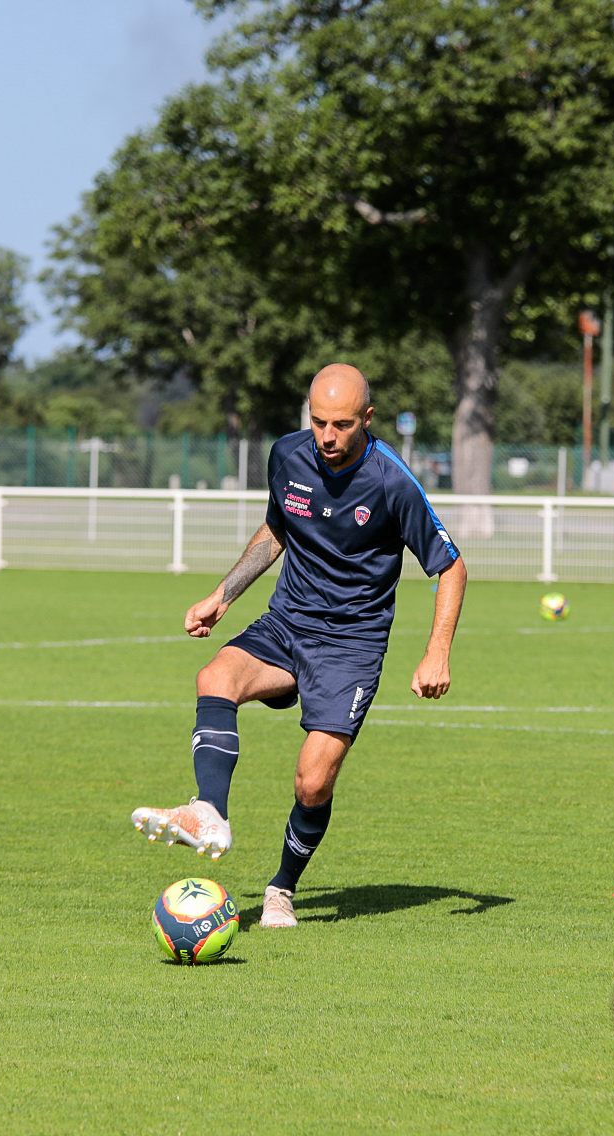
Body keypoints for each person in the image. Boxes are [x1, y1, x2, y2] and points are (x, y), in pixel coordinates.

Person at [132, 364, 467, 928]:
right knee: (215, 678)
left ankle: (281, 889)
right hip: (287, 623)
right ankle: (208, 812)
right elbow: (277, 529)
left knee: (313, 781)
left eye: (341, 424)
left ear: (367, 417)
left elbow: (451, 566)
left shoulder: (392, 482)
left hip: (350, 647)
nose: (328, 437)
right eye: (318, 422)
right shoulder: (288, 455)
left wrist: (437, 652)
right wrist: (224, 595)